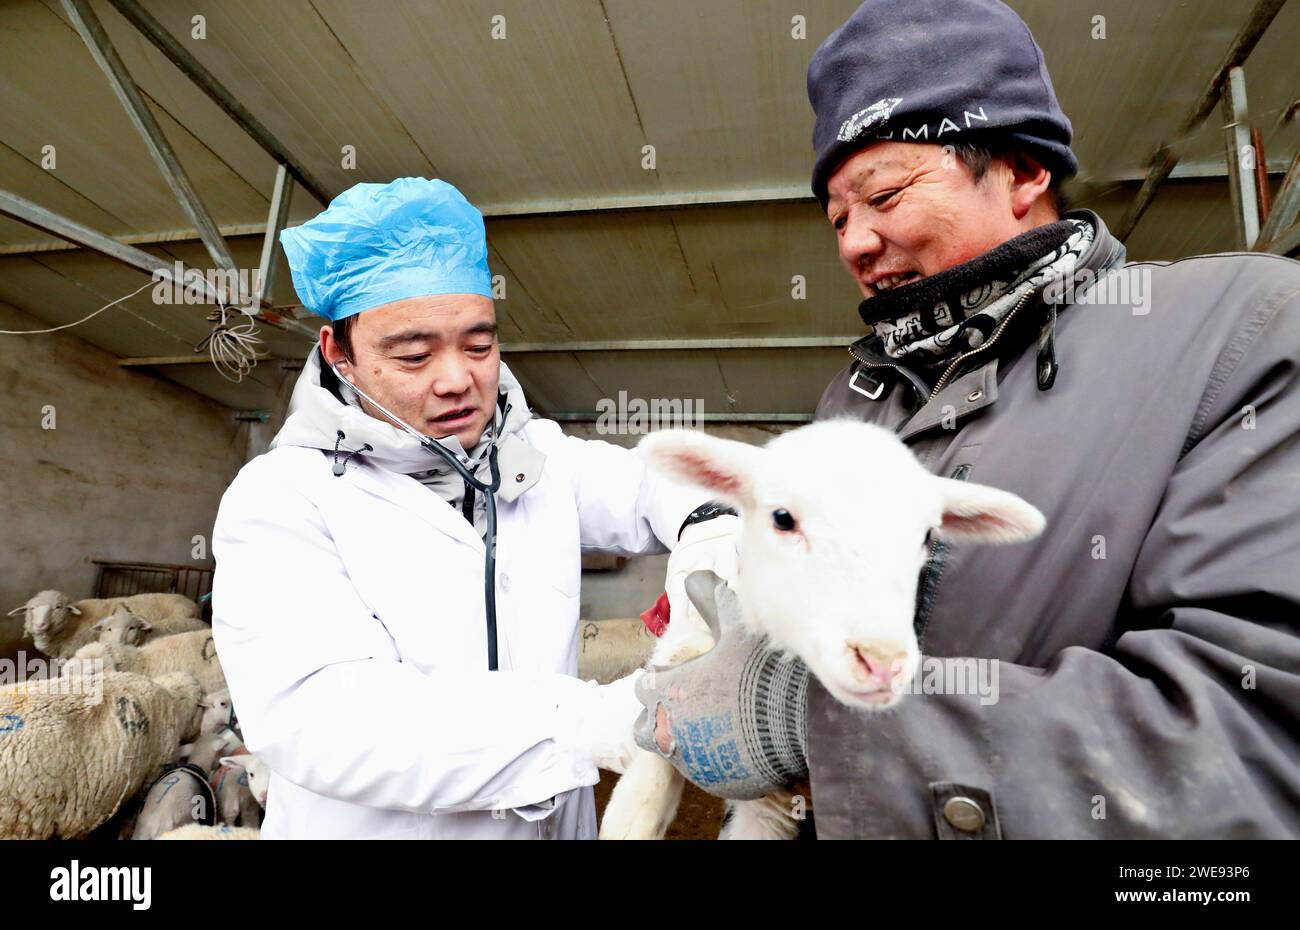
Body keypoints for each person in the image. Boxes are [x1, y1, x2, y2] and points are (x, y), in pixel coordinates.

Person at [633, 0, 1300, 838]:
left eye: (882, 194)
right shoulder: (860, 401)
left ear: (1023, 171)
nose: (854, 243)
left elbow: (1261, 742)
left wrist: (814, 727)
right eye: (838, 217)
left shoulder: (1239, 334)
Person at [211, 177, 738, 839]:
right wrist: (586, 723)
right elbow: (328, 721)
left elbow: (652, 483)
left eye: (479, 345)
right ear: (338, 354)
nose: (458, 378)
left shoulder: (535, 456)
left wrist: (714, 527)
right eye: (413, 354)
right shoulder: (284, 499)